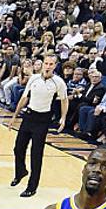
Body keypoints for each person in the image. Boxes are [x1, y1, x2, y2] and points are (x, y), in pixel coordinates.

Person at [9, 53, 68, 197]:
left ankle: (32, 186)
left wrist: (63, 118)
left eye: (51, 64)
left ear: (55, 66)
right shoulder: (34, 78)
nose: (47, 66)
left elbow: (64, 100)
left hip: (43, 119)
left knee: (36, 154)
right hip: (29, 115)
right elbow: (25, 97)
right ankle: (20, 171)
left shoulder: (59, 82)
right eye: (46, 63)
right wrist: (14, 116)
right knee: (18, 148)